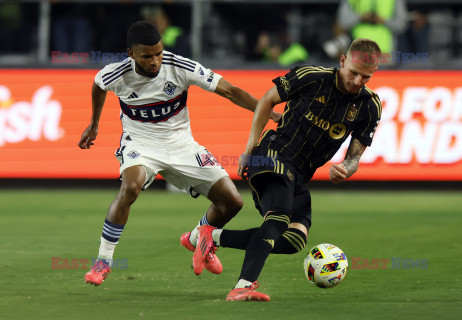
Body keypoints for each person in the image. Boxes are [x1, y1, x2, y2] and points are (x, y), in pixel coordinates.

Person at [79, 21, 280, 286]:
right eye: (147, 56)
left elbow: (230, 91)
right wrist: (94, 123)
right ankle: (103, 261)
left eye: (159, 53)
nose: (155, 61)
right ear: (131, 55)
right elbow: (98, 85)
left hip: (182, 145)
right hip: (141, 143)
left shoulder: (180, 67)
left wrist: (270, 113)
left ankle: (198, 239)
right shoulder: (116, 74)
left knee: (232, 202)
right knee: (130, 188)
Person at [192, 38, 383, 301]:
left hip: (300, 175)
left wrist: (346, 168)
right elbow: (267, 101)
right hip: (273, 153)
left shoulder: (369, 106)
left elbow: (355, 156)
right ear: (342, 61)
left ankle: (209, 236)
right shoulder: (311, 77)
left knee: (294, 240)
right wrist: (251, 147)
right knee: (278, 220)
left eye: (366, 77)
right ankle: (243, 286)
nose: (358, 81)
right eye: (353, 72)